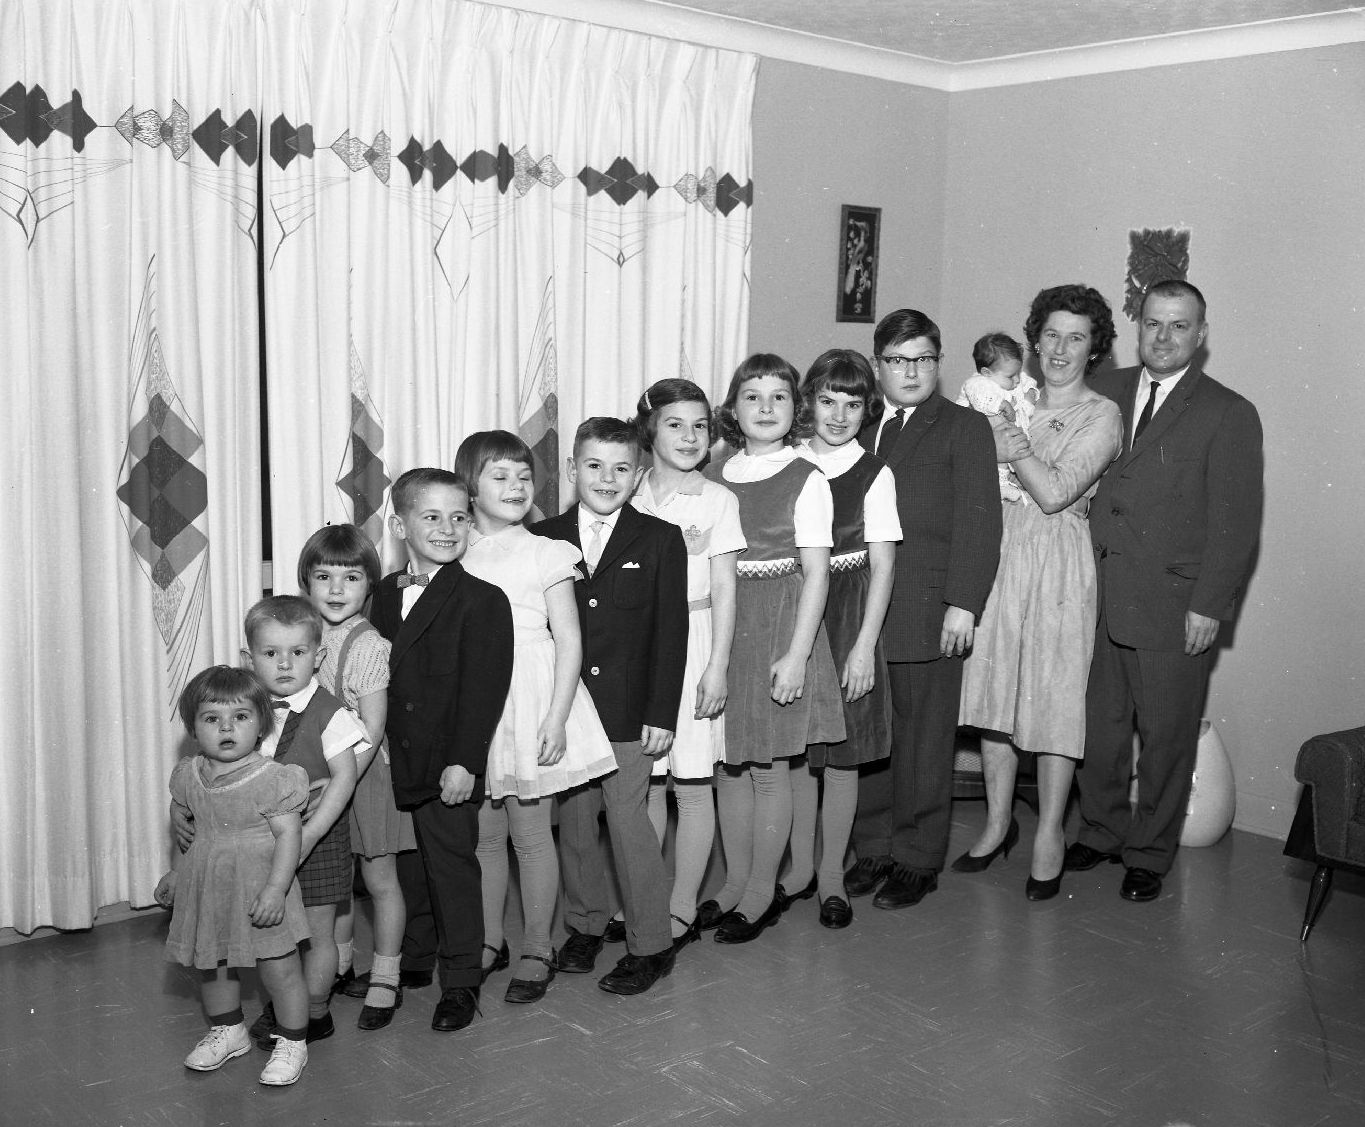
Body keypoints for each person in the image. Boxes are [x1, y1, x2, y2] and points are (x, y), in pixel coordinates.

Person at [1066, 280, 1263, 902]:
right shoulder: (1105, 392)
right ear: (1137, 326)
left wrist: (1209, 605)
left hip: (1174, 606)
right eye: (1153, 323)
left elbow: (1237, 525)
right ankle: (1099, 831)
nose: (1164, 337)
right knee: (1098, 730)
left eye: (1179, 326)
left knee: (1166, 738)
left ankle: (1149, 852)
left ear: (1200, 335)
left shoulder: (1228, 412)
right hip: (1094, 596)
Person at [956, 285, 1123, 900]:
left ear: (1093, 348)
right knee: (994, 693)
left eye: (1075, 337)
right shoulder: (1007, 399)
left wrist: (1005, 441)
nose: (1059, 348)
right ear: (1033, 340)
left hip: (1058, 561)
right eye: (1050, 334)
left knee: (1053, 700)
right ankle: (998, 823)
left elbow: (1056, 493)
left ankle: (1049, 831)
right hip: (998, 552)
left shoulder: (1101, 415)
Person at [845, 309, 1001, 909]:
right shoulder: (857, 425)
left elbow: (980, 523)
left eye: (924, 359)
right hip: (862, 609)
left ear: (940, 362)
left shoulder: (964, 427)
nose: (911, 371)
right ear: (878, 364)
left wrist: (963, 603)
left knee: (925, 738)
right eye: (898, 360)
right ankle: (875, 847)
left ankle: (916, 857)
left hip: (930, 605)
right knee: (872, 734)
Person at [454, 430, 617, 1004]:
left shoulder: (547, 551)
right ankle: (489, 940)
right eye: (500, 477)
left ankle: (537, 947)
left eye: (525, 477)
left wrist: (556, 716)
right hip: (481, 704)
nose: (517, 487)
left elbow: (570, 642)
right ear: (469, 488)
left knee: (530, 830)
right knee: (485, 833)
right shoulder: (457, 551)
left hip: (532, 698)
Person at [534, 417, 688, 994]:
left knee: (628, 824)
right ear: (573, 470)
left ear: (639, 474)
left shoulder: (659, 538)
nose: (607, 478)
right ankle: (585, 924)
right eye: (594, 466)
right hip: (569, 711)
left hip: (628, 711)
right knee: (574, 824)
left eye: (622, 468)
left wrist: (661, 713)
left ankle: (651, 943)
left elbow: (671, 634)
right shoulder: (543, 538)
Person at [698, 355, 845, 944]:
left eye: (779, 397)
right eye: (752, 396)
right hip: (722, 625)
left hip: (779, 624)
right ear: (732, 409)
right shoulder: (713, 473)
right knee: (729, 763)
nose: (765, 408)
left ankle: (763, 890)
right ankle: (733, 883)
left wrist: (797, 654)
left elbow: (818, 574)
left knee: (769, 764)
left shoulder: (805, 476)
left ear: (796, 408)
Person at [369, 468, 515, 1030]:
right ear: (399, 522)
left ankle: (461, 980)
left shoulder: (483, 600)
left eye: (459, 517)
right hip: (389, 759)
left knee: (451, 870)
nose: (448, 528)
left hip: (445, 759)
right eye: (432, 516)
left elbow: (483, 692)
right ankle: (413, 959)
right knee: (406, 866)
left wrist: (465, 762)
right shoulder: (381, 594)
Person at [629, 379, 745, 949]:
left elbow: (724, 589)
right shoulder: (626, 490)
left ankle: (680, 906)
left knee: (692, 781)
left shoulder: (717, 500)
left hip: (696, 640)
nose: (690, 436)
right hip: (637, 651)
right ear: (649, 430)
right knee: (644, 782)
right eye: (675, 424)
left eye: (701, 425)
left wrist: (716, 666)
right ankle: (645, 897)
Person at [156, 666, 312, 1086]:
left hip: (262, 886)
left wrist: (277, 890)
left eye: (240, 716)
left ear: (261, 723)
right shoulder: (188, 776)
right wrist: (175, 869)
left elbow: (288, 838)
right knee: (214, 965)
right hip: (209, 888)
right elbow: (186, 830)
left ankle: (294, 1040)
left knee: (279, 969)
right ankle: (229, 1029)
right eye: (212, 718)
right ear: (193, 727)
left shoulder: (275, 779)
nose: (227, 728)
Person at [796, 350, 900, 929]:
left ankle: (833, 876)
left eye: (853, 403)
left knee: (841, 754)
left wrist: (864, 646)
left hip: (847, 616)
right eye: (828, 401)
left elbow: (883, 566)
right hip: (792, 612)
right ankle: (795, 870)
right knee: (792, 752)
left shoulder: (873, 472)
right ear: (808, 401)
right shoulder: (786, 462)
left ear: (868, 408)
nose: (838, 415)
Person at [297, 524, 413, 1030]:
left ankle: (386, 974)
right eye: (324, 576)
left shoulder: (367, 646)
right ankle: (339, 963)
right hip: (318, 780)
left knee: (379, 878)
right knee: (333, 883)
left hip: (363, 777)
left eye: (351, 577)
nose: (337, 589)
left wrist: (339, 788)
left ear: (371, 585)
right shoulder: (303, 636)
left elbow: (372, 726)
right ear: (306, 583)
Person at [240, 596, 365, 1051]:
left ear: (319, 656)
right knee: (276, 931)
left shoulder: (330, 712)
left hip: (320, 839)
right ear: (248, 658)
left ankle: (315, 1010)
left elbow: (345, 778)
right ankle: (285, 1002)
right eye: (271, 653)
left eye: (298, 652)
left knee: (319, 931)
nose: (286, 664)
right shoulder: (245, 709)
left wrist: (311, 835)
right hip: (264, 843)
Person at [956, 332, 1039, 502]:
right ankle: (999, 485)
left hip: (999, 435)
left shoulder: (1010, 376)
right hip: (971, 433)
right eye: (1011, 376)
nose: (1016, 380)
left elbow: (1026, 382)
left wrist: (1031, 392)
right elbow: (980, 399)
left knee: (1005, 447)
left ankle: (1002, 484)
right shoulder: (978, 383)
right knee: (996, 450)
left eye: (1018, 372)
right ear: (986, 372)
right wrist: (1000, 405)